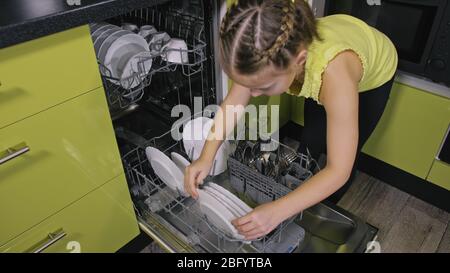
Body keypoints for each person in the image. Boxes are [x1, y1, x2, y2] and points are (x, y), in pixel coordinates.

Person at [184, 0, 398, 241]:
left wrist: (277, 212)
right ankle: (303, 192)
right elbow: (234, 102)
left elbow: (339, 170)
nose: (252, 94)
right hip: (335, 41)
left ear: (298, 60)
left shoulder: (335, 78)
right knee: (312, 139)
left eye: (262, 87)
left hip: (375, 66)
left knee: (346, 153)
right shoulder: (269, 50)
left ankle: (324, 208)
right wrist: (205, 156)